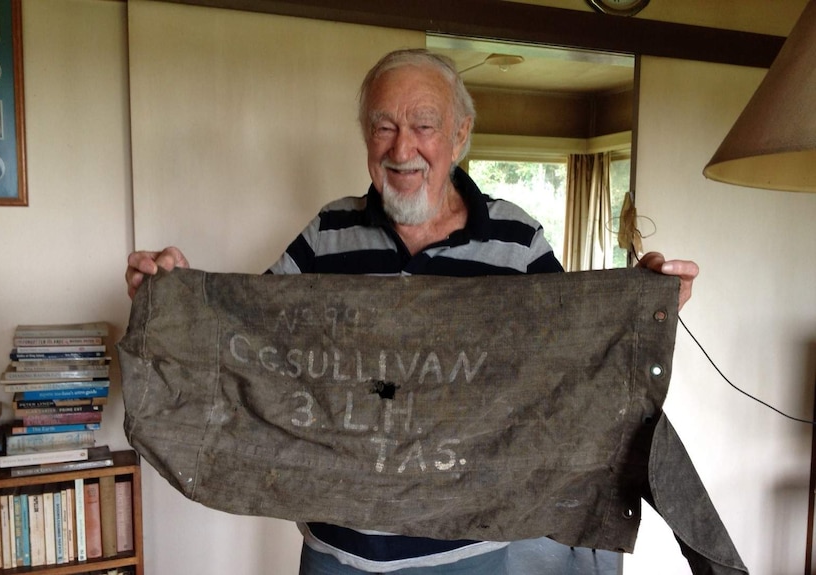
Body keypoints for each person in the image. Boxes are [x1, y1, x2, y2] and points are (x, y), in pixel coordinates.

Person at [126, 49, 699, 574]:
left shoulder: (516, 239)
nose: (403, 149)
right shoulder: (328, 232)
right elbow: (247, 344)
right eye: (384, 127)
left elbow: (571, 361)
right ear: (366, 137)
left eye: (423, 126)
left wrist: (640, 306)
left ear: (460, 133)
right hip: (336, 551)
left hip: (469, 551)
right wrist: (168, 299)